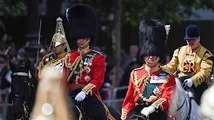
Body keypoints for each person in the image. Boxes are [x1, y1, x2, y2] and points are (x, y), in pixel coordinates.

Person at [65, 3, 117, 120]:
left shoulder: (97, 57)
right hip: (69, 95)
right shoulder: (69, 56)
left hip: (88, 96)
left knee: (99, 114)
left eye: (84, 37)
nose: (81, 40)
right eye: (79, 38)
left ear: (89, 38)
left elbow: (97, 80)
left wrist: (85, 92)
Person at [121, 19, 176, 120]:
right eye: (148, 54)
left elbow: (166, 98)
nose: (151, 57)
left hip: (158, 113)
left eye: (154, 54)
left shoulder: (168, 76)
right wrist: (124, 117)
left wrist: (152, 107)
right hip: (137, 113)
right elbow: (129, 99)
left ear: (160, 56)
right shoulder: (135, 73)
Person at [162, 24, 214, 104]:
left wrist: (192, 81)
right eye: (188, 40)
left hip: (197, 84)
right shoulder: (179, 51)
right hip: (180, 81)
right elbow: (171, 67)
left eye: (193, 39)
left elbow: (205, 72)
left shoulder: (206, 54)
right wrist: (159, 69)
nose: (190, 42)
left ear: (198, 38)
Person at [37, 17, 70, 83]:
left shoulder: (69, 58)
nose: (55, 46)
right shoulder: (46, 58)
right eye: (53, 44)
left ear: (64, 45)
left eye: (58, 44)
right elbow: (40, 75)